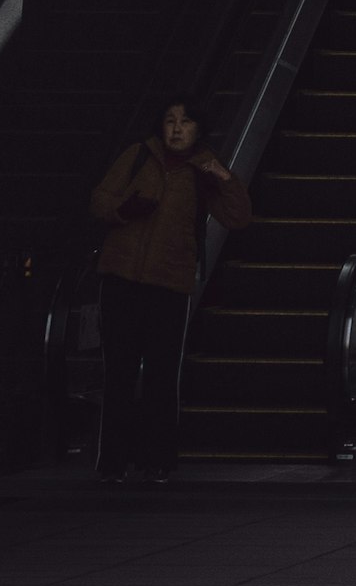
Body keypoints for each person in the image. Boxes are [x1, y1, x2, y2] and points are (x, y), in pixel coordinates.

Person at [88, 99, 246, 484]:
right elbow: (100, 201)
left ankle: (156, 459)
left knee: (161, 376)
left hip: (169, 284)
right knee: (119, 374)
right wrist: (125, 209)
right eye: (170, 121)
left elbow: (238, 217)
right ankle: (113, 461)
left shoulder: (202, 170)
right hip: (122, 278)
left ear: (198, 130)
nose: (176, 129)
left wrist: (224, 177)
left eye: (186, 122)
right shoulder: (139, 155)